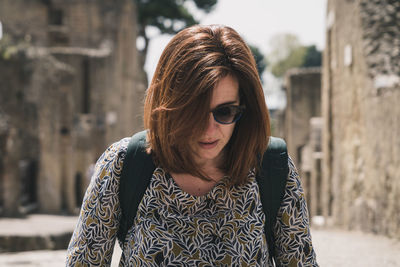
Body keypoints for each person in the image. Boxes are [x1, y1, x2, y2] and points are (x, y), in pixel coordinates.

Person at [66, 24, 318, 266]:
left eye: (225, 111)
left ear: (245, 109)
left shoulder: (272, 167)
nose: (208, 129)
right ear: (169, 104)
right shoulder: (122, 164)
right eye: (193, 111)